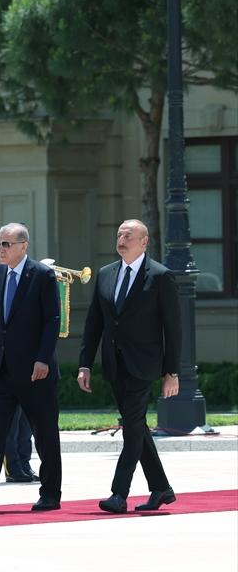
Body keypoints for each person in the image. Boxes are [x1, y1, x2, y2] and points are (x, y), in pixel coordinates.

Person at [77, 219, 181, 514]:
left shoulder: (160, 276)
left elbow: (172, 329)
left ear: (144, 242)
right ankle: (161, 488)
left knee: (131, 427)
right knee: (136, 426)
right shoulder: (106, 274)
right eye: (119, 234)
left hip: (144, 365)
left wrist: (171, 371)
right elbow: (94, 323)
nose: (121, 239)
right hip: (114, 364)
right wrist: (85, 364)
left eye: (129, 235)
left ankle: (118, 493)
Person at [0, 223, 63, 513]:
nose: (1, 249)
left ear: (23, 246)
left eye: (7, 244)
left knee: (44, 434)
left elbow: (52, 320)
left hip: (35, 370)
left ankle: (50, 493)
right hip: (3, 370)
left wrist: (43, 358)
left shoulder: (42, 275)